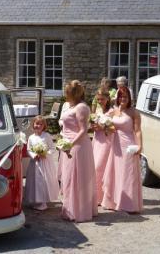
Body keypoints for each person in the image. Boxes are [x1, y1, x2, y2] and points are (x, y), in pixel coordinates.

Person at [58, 80, 97, 222]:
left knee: (76, 178)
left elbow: (83, 130)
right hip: (68, 145)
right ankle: (69, 208)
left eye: (66, 93)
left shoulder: (81, 107)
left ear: (73, 94)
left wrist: (70, 144)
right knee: (68, 178)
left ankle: (79, 211)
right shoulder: (70, 106)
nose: (65, 95)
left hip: (78, 146)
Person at [102, 86, 143, 213]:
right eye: (120, 96)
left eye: (125, 96)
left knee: (127, 174)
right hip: (115, 145)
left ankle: (129, 204)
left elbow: (137, 131)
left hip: (128, 146)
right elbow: (107, 125)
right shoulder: (114, 110)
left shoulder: (133, 112)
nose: (122, 99)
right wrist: (104, 127)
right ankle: (114, 202)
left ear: (129, 98)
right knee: (115, 172)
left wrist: (140, 146)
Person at [25, 115, 59, 211]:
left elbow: (52, 148)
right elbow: (28, 150)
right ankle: (36, 200)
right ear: (33, 124)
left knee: (43, 181)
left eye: (41, 124)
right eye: (36, 123)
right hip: (35, 163)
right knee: (35, 181)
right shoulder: (31, 137)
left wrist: (46, 154)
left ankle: (43, 202)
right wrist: (34, 155)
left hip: (44, 162)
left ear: (44, 126)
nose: (38, 125)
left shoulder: (46, 136)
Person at [91, 88, 115, 205]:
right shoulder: (98, 110)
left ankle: (104, 196)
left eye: (102, 99)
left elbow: (113, 129)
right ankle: (97, 196)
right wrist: (94, 126)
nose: (100, 101)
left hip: (106, 142)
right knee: (95, 169)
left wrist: (102, 127)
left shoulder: (112, 111)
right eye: (98, 99)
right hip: (97, 141)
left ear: (107, 99)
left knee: (100, 168)